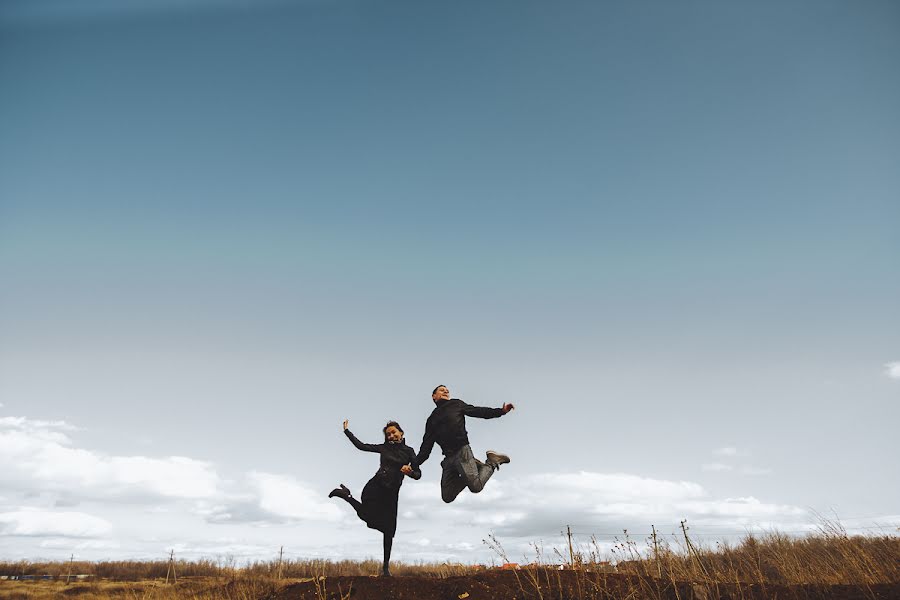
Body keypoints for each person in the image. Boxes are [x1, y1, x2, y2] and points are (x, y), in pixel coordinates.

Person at [329, 419, 420, 577]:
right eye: (388, 434)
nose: (391, 435)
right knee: (366, 515)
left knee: (389, 530)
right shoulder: (383, 448)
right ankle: (347, 496)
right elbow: (361, 446)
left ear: (401, 433)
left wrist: (410, 472)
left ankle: (385, 568)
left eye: (393, 432)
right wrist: (347, 432)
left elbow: (418, 474)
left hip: (391, 493)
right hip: (376, 487)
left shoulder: (409, 451)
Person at [416, 385, 514, 504]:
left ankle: (492, 462)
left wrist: (500, 411)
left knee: (476, 487)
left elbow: (478, 411)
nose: (446, 391)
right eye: (442, 390)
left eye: (447, 390)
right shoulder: (431, 420)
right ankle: (474, 465)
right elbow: (426, 447)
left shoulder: (456, 404)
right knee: (447, 496)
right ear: (434, 396)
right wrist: (414, 464)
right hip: (448, 458)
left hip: (462, 451)